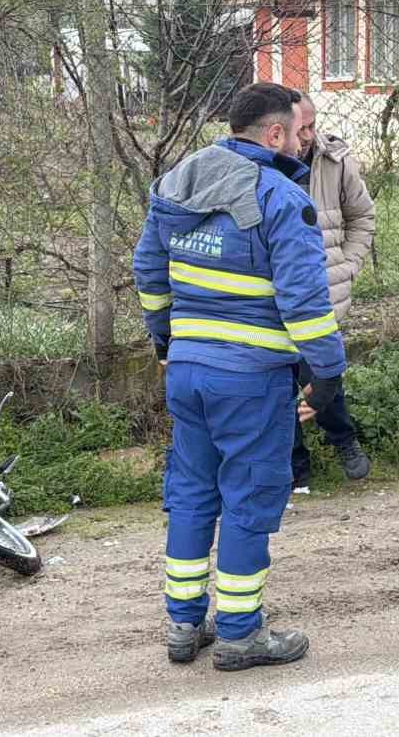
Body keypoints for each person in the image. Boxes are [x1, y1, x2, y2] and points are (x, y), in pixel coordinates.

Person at [133, 82, 348, 671]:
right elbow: (304, 301)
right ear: (274, 133)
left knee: (192, 494)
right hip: (251, 380)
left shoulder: (177, 183)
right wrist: (327, 375)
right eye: (303, 132)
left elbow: (149, 273)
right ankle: (239, 633)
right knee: (249, 499)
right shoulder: (280, 196)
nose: (309, 142)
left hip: (188, 370)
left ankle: (183, 626)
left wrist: (167, 342)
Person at [289, 93, 375, 489]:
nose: (307, 135)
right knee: (275, 382)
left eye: (311, 125)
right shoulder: (257, 164)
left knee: (324, 372)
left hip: (323, 292)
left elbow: (361, 216)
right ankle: (294, 466)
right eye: (299, 128)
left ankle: (344, 441)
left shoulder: (335, 161)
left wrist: (349, 264)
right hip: (274, 294)